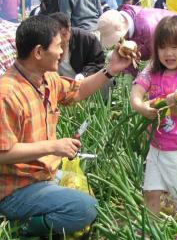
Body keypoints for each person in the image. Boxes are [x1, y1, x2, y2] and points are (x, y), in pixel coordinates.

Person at [0, 15, 133, 237]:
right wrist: (53, 146)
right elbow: (2, 153)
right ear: (39, 52)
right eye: (58, 46)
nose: (62, 52)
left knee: (86, 191)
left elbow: (78, 91)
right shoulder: (7, 94)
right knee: (84, 208)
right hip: (15, 189)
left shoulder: (47, 79)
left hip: (44, 176)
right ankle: (22, 230)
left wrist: (111, 70)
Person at [130, 15, 177, 226]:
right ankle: (152, 231)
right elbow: (136, 93)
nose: (168, 53)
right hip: (157, 146)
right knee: (150, 192)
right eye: (162, 47)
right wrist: (142, 107)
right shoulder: (152, 70)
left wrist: (172, 103)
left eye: (174, 47)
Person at [97, 5, 176, 76]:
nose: (117, 42)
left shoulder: (146, 30)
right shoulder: (128, 15)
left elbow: (153, 57)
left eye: (116, 39)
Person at [50, 12, 105, 80]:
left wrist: (83, 74)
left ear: (68, 30)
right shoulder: (47, 42)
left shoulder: (87, 39)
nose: (59, 39)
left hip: (85, 82)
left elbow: (98, 62)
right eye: (53, 35)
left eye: (63, 34)